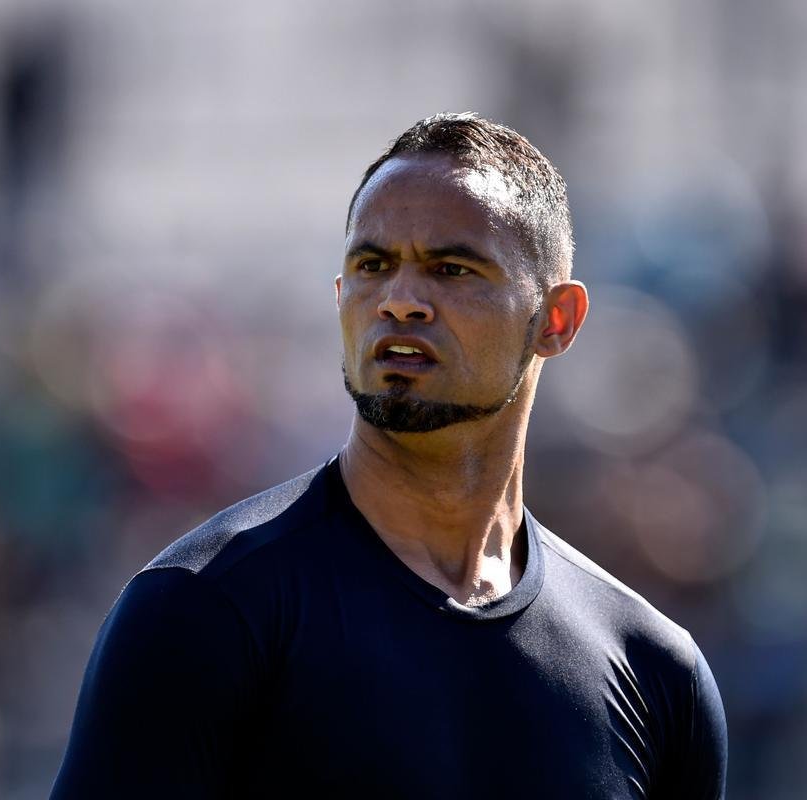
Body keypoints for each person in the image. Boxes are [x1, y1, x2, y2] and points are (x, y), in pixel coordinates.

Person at [50, 112, 727, 799]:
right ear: (342, 298)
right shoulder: (205, 611)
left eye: (451, 268)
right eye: (372, 266)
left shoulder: (656, 673)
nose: (401, 301)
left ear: (556, 321)